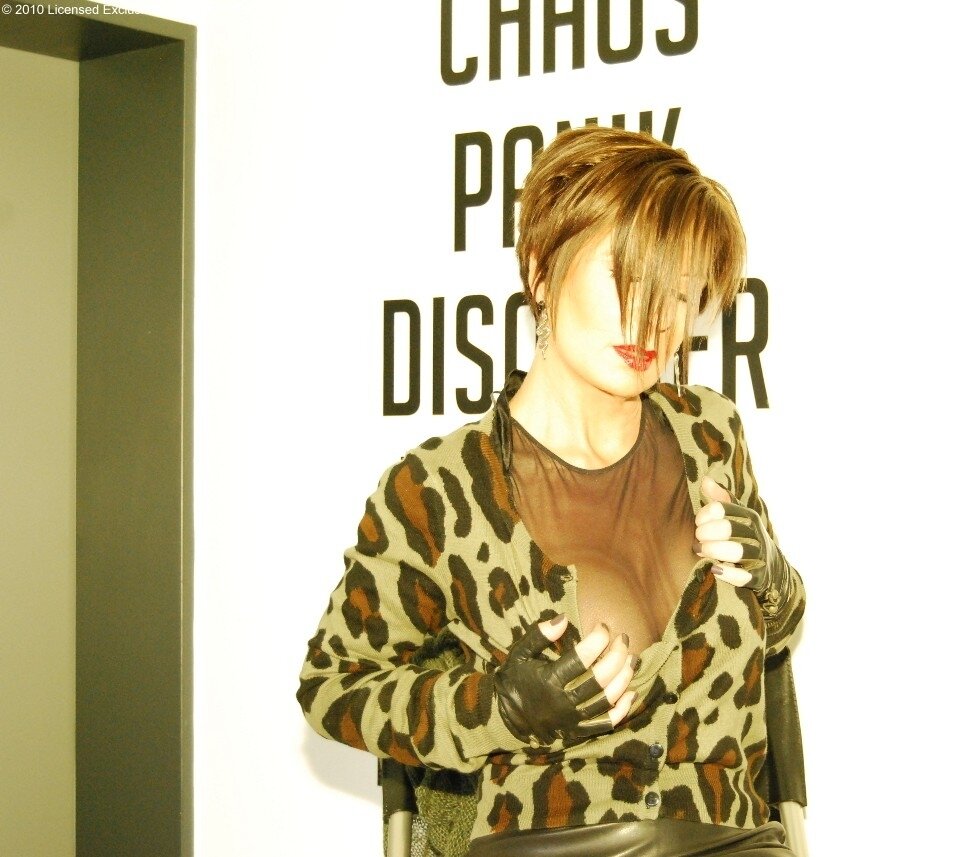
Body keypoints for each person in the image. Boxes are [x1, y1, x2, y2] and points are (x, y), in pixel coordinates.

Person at [297, 126, 806, 856]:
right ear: (541, 270)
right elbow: (333, 688)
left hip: (730, 837)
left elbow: (779, 633)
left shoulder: (712, 436)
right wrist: (499, 707)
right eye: (626, 276)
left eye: (679, 292)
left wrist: (773, 580)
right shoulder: (438, 488)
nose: (655, 319)